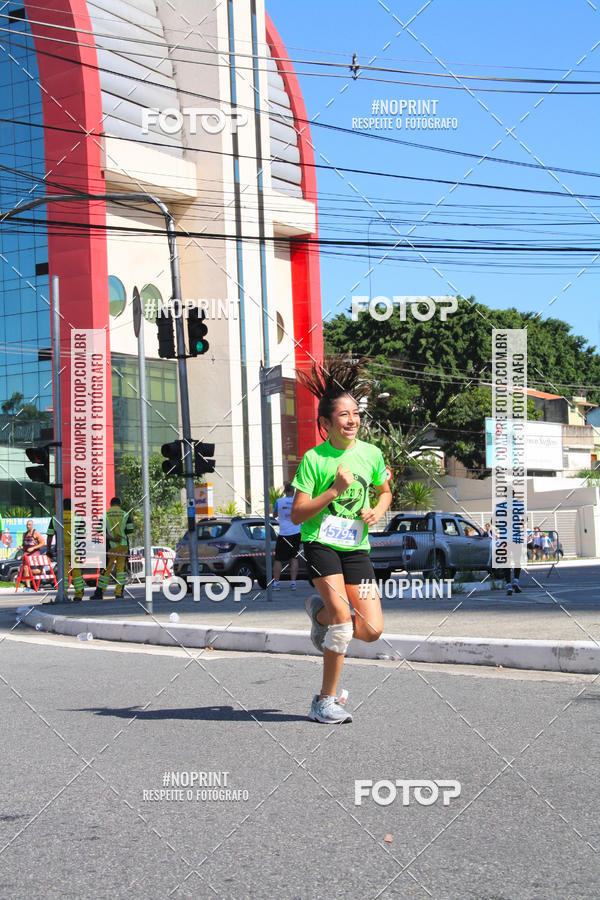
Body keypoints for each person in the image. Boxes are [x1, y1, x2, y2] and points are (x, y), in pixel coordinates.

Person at [291, 358, 392, 725]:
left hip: (357, 548)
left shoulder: (371, 454)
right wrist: (334, 490)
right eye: (344, 415)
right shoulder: (314, 459)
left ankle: (317, 614)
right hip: (321, 544)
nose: (352, 420)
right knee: (343, 623)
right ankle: (325, 700)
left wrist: (379, 510)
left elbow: (385, 491)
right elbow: (298, 514)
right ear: (326, 424)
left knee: (371, 629)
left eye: (355, 413)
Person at [93, 498, 134, 599]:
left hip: (110, 547)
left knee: (106, 570)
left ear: (110, 504)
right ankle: (119, 593)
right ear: (119, 504)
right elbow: (130, 530)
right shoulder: (125, 514)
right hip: (123, 546)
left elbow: (100, 531)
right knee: (121, 571)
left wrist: (112, 538)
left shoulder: (104, 515)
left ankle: (99, 594)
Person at [46, 500, 84, 600]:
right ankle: (79, 594)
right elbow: (82, 536)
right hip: (75, 549)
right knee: (77, 573)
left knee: (63, 573)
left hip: (61, 549)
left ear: (61, 507)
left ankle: (64, 594)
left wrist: (48, 549)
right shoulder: (78, 517)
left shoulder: (55, 518)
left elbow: (50, 535)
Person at [272, 483, 301, 591]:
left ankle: (276, 583)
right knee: (294, 557)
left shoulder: (279, 501)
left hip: (283, 533)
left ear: (284, 491)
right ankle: (293, 582)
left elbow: (274, 515)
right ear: (293, 492)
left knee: (278, 559)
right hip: (296, 532)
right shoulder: (297, 501)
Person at [20, 519, 45, 590]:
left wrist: (33, 548)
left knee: (34, 570)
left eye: (29, 525)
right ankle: (28, 587)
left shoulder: (36, 533)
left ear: (32, 525)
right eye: (27, 525)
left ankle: (40, 577)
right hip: (26, 555)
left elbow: (43, 543)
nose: (28, 526)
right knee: (25, 569)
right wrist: (21, 547)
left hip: (35, 554)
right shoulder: (25, 534)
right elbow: (24, 545)